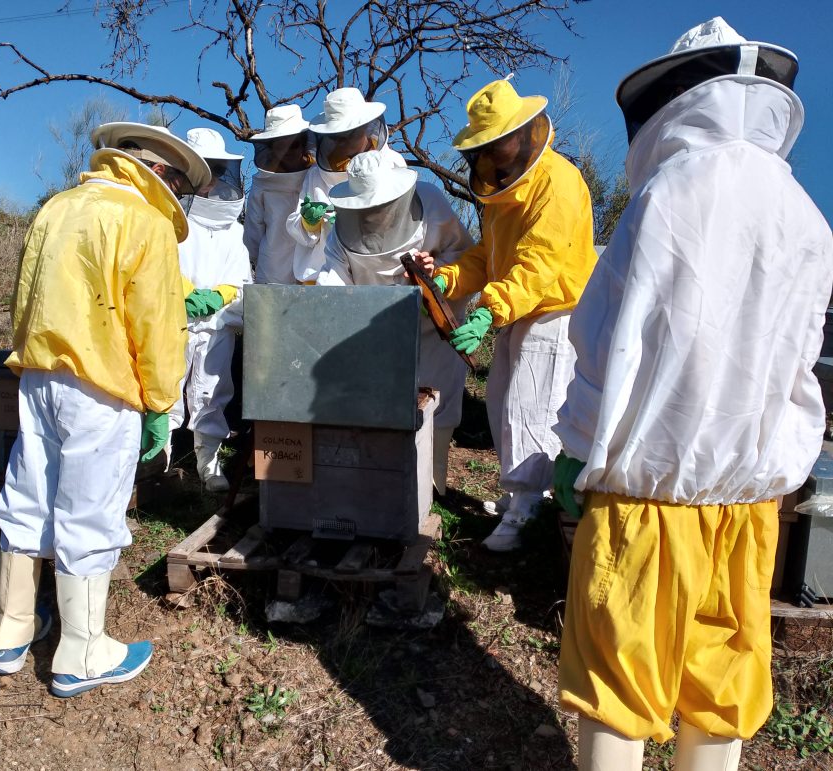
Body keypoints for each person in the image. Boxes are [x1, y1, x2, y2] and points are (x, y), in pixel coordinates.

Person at [552, 18, 833, 770]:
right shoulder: (807, 215)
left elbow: (604, 341)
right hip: (747, 504)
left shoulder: (667, 196)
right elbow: (800, 361)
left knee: (617, 680)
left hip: (646, 498)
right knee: (721, 679)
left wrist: (575, 448)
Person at [0, 122, 211, 698]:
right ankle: (83, 653)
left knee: (29, 497)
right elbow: (157, 322)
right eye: (181, 185)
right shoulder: (144, 221)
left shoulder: (56, 207)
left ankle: (11, 634)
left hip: (38, 376)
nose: (180, 198)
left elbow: (24, 297)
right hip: (102, 386)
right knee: (89, 512)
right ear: (159, 172)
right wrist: (162, 401)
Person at [428, 78, 597, 551]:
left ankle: (526, 508)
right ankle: (516, 494)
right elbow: (490, 255)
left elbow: (542, 263)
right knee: (504, 402)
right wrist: (449, 277)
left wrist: (489, 310)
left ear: (524, 132)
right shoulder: (502, 192)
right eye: (486, 147)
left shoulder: (558, 183)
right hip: (518, 308)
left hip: (552, 311)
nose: (495, 155)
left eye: (501, 142)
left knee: (531, 405)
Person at [316, 150, 473, 493]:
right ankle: (381, 481)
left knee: (437, 404)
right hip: (377, 329)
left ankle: (433, 487)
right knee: (380, 402)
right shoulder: (341, 227)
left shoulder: (429, 202)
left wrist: (437, 273)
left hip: (434, 328)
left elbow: (465, 255)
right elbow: (333, 278)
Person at [169, 128, 253, 492]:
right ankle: (160, 462)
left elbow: (242, 279)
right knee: (166, 388)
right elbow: (154, 265)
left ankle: (209, 465)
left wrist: (222, 295)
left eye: (216, 171)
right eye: (204, 172)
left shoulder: (234, 231)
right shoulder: (170, 221)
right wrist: (180, 292)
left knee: (212, 391)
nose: (211, 182)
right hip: (172, 321)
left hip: (217, 324)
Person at [286, 87, 407, 284]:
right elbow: (297, 230)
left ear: (364, 127)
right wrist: (309, 223)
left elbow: (404, 224)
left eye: (347, 133)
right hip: (323, 280)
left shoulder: (393, 163)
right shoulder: (316, 175)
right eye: (335, 136)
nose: (341, 142)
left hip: (377, 279)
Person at [244, 105, 315, 284]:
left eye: (293, 144)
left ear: (304, 143)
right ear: (271, 147)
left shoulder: (318, 176)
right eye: (281, 145)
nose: (288, 151)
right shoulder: (261, 185)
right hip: (273, 275)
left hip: (313, 272)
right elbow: (252, 239)